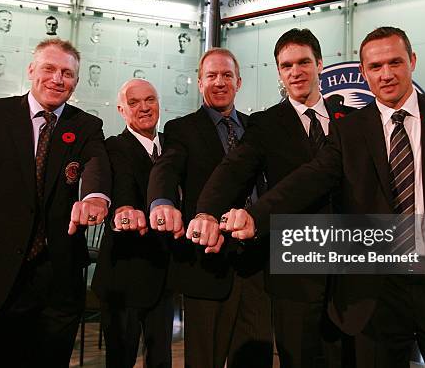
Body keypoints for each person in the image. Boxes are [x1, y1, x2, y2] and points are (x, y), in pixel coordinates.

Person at [220, 26, 425, 368]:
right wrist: (257, 216)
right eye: (375, 67)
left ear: (412, 61)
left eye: (395, 62)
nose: (386, 74)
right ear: (363, 72)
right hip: (376, 295)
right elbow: (308, 180)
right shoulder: (349, 129)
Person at [0, 38, 111, 367]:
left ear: (76, 81)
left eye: (67, 73)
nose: (57, 79)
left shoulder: (85, 125)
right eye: (49, 69)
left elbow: (96, 163)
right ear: (31, 70)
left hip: (58, 279)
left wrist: (96, 197)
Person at [192, 28, 355, 368]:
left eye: (303, 62)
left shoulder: (352, 122)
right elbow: (232, 171)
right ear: (279, 72)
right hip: (294, 267)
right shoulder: (266, 124)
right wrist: (206, 213)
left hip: (349, 266)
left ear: (320, 64)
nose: (295, 72)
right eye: (286, 65)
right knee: (300, 357)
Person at [147, 48, 272, 368]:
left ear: (239, 82)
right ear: (199, 83)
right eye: (212, 76)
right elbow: (166, 168)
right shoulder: (181, 129)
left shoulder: (257, 128)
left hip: (257, 264)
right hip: (207, 265)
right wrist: (162, 201)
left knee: (255, 358)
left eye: (227, 75)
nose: (220, 82)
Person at [92, 79, 173, 368]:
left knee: (162, 360)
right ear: (121, 110)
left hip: (166, 276)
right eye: (134, 102)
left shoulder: (173, 146)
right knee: (121, 360)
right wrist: (123, 210)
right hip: (123, 277)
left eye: (150, 100)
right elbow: (121, 187)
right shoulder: (111, 148)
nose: (144, 108)